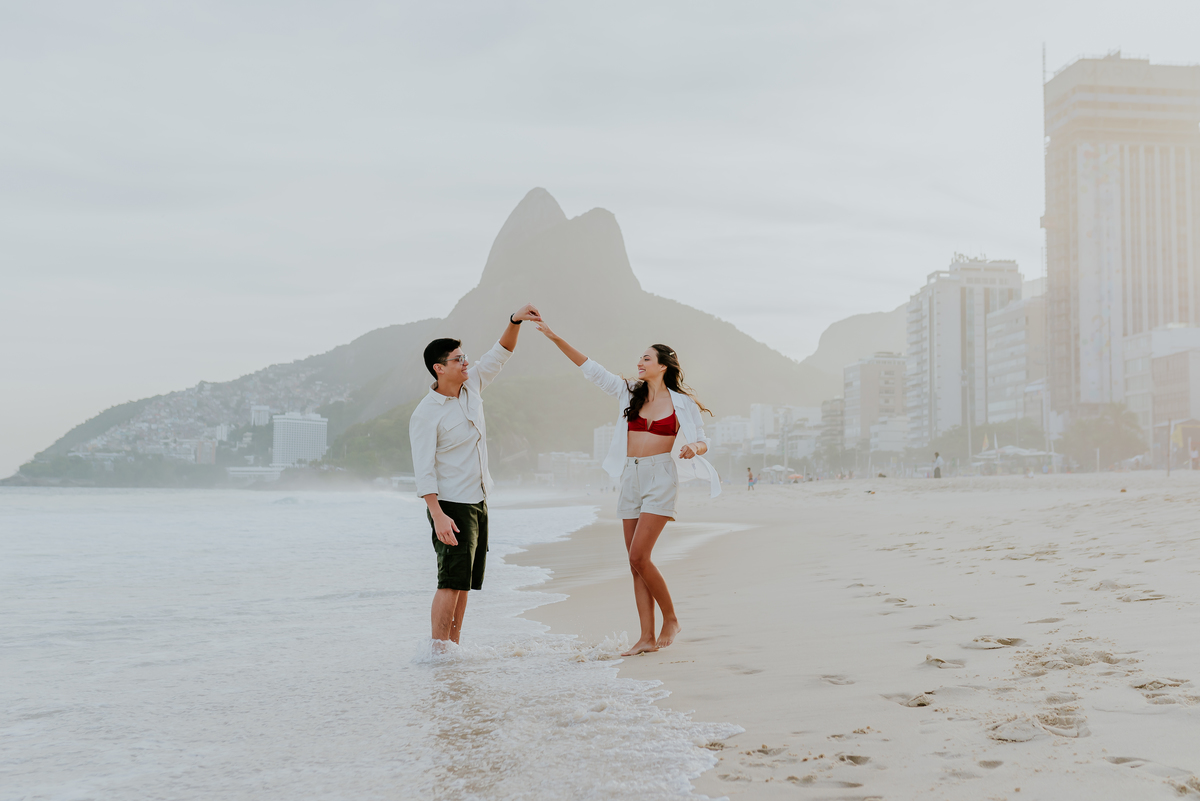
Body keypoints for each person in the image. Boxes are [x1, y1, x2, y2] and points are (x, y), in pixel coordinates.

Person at [535, 320, 720, 656]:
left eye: (647, 359)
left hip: (661, 476)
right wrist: (554, 336)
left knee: (639, 555)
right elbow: (591, 369)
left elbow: (704, 440)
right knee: (634, 562)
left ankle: (672, 618)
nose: (640, 362)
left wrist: (694, 448)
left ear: (663, 366)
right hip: (630, 477)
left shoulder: (683, 404)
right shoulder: (628, 392)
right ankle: (646, 637)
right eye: (640, 358)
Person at [410, 304, 542, 648]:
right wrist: (437, 515)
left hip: (478, 500)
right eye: (457, 359)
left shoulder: (472, 387)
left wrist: (514, 321)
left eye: (464, 356)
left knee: (465, 582)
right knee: (449, 581)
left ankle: (453, 646)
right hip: (450, 505)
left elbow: (502, 353)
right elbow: (423, 471)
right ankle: (438, 651)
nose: (465, 362)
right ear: (439, 368)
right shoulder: (425, 415)